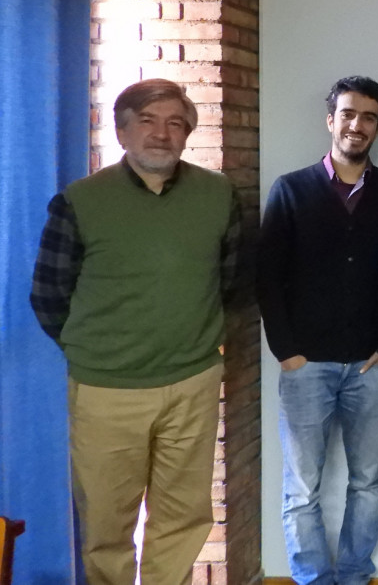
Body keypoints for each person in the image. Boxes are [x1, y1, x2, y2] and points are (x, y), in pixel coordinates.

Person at [29, 78, 243, 584]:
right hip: (107, 389)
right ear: (121, 131)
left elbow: (230, 282)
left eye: (175, 123)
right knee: (107, 524)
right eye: (147, 121)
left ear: (189, 133)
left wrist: (199, 342)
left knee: (184, 518)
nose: (162, 134)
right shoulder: (81, 200)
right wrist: (100, 348)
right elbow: (48, 294)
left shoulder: (218, 194)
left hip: (192, 382)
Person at [257, 76, 378, 585]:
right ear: (331, 120)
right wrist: (287, 351)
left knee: (367, 483)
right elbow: (267, 275)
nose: (357, 125)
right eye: (348, 114)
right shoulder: (291, 188)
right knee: (302, 487)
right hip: (306, 366)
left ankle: (353, 575)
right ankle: (311, 578)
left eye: (368, 117)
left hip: (374, 366)